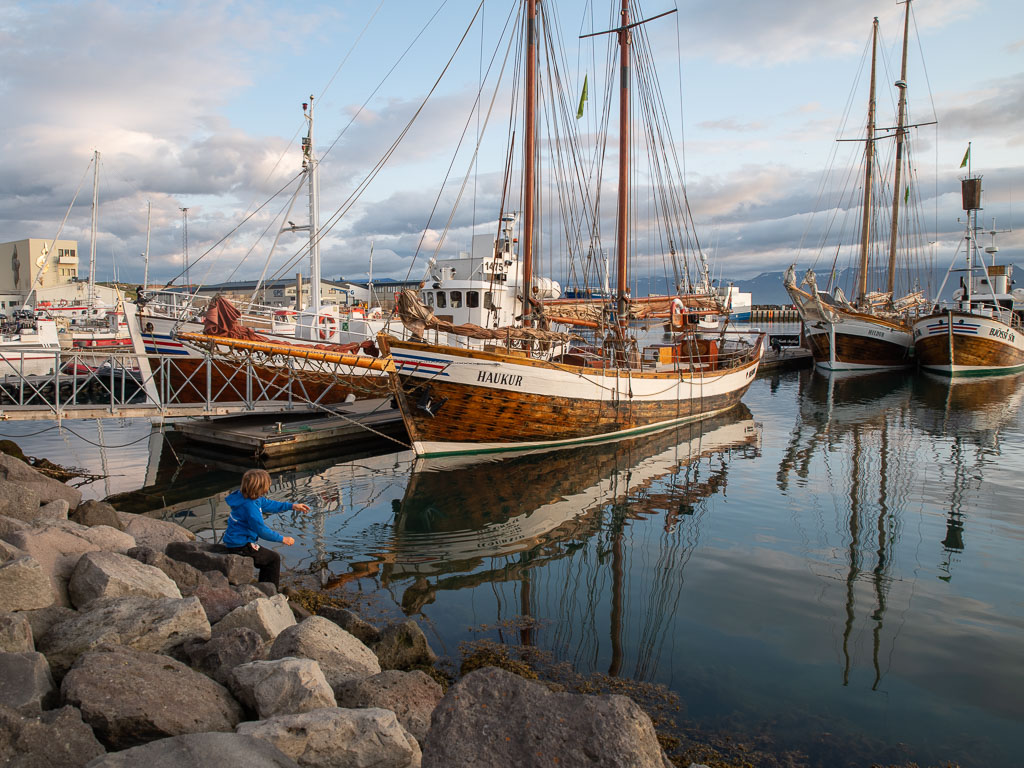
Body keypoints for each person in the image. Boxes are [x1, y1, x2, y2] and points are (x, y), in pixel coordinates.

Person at [222, 468, 309, 588]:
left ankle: (263, 586)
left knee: (268, 558)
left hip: (234, 540)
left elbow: (269, 504)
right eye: (268, 485)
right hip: (241, 546)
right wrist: (283, 539)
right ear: (260, 488)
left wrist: (292, 506)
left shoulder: (244, 496)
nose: (269, 487)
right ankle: (270, 591)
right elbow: (261, 531)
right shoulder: (250, 506)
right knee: (273, 559)